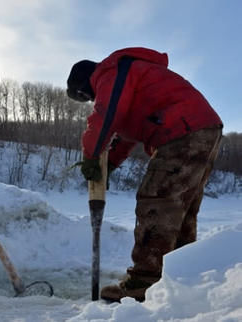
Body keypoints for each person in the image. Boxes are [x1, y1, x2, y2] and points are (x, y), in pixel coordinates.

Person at [66, 47, 223, 303]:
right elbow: (124, 136)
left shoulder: (112, 73)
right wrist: (109, 166)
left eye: (86, 98)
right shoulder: (131, 77)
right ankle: (180, 277)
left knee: (156, 202)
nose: (92, 102)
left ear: (85, 87)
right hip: (203, 129)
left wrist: (92, 157)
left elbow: (107, 116)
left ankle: (144, 282)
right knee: (180, 210)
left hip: (182, 131)